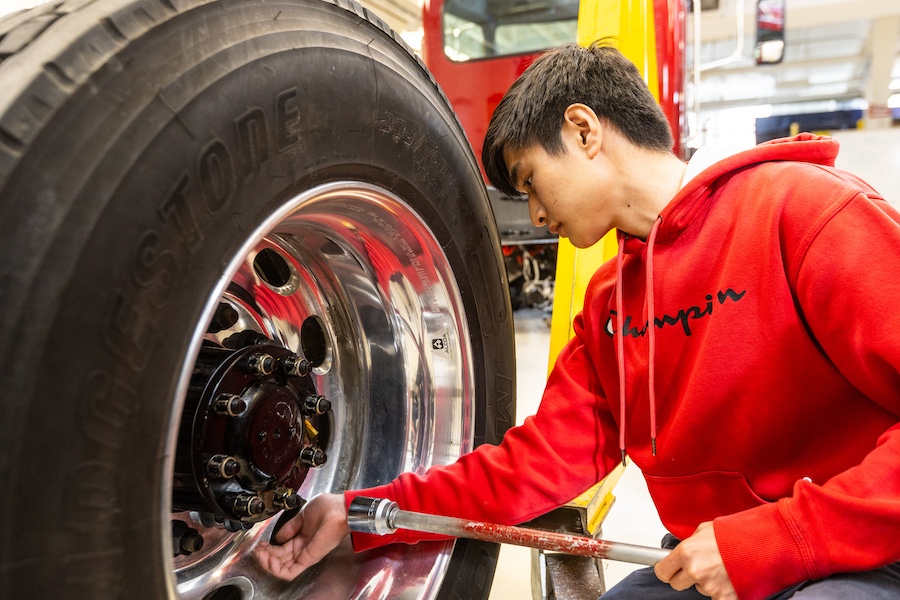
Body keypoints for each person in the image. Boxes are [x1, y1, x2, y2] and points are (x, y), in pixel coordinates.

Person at [256, 41, 900, 599]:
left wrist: (775, 541)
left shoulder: (805, 213)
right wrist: (363, 512)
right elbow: (531, 466)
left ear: (584, 130)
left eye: (532, 181)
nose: (536, 215)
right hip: (714, 561)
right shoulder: (610, 305)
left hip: (867, 552)